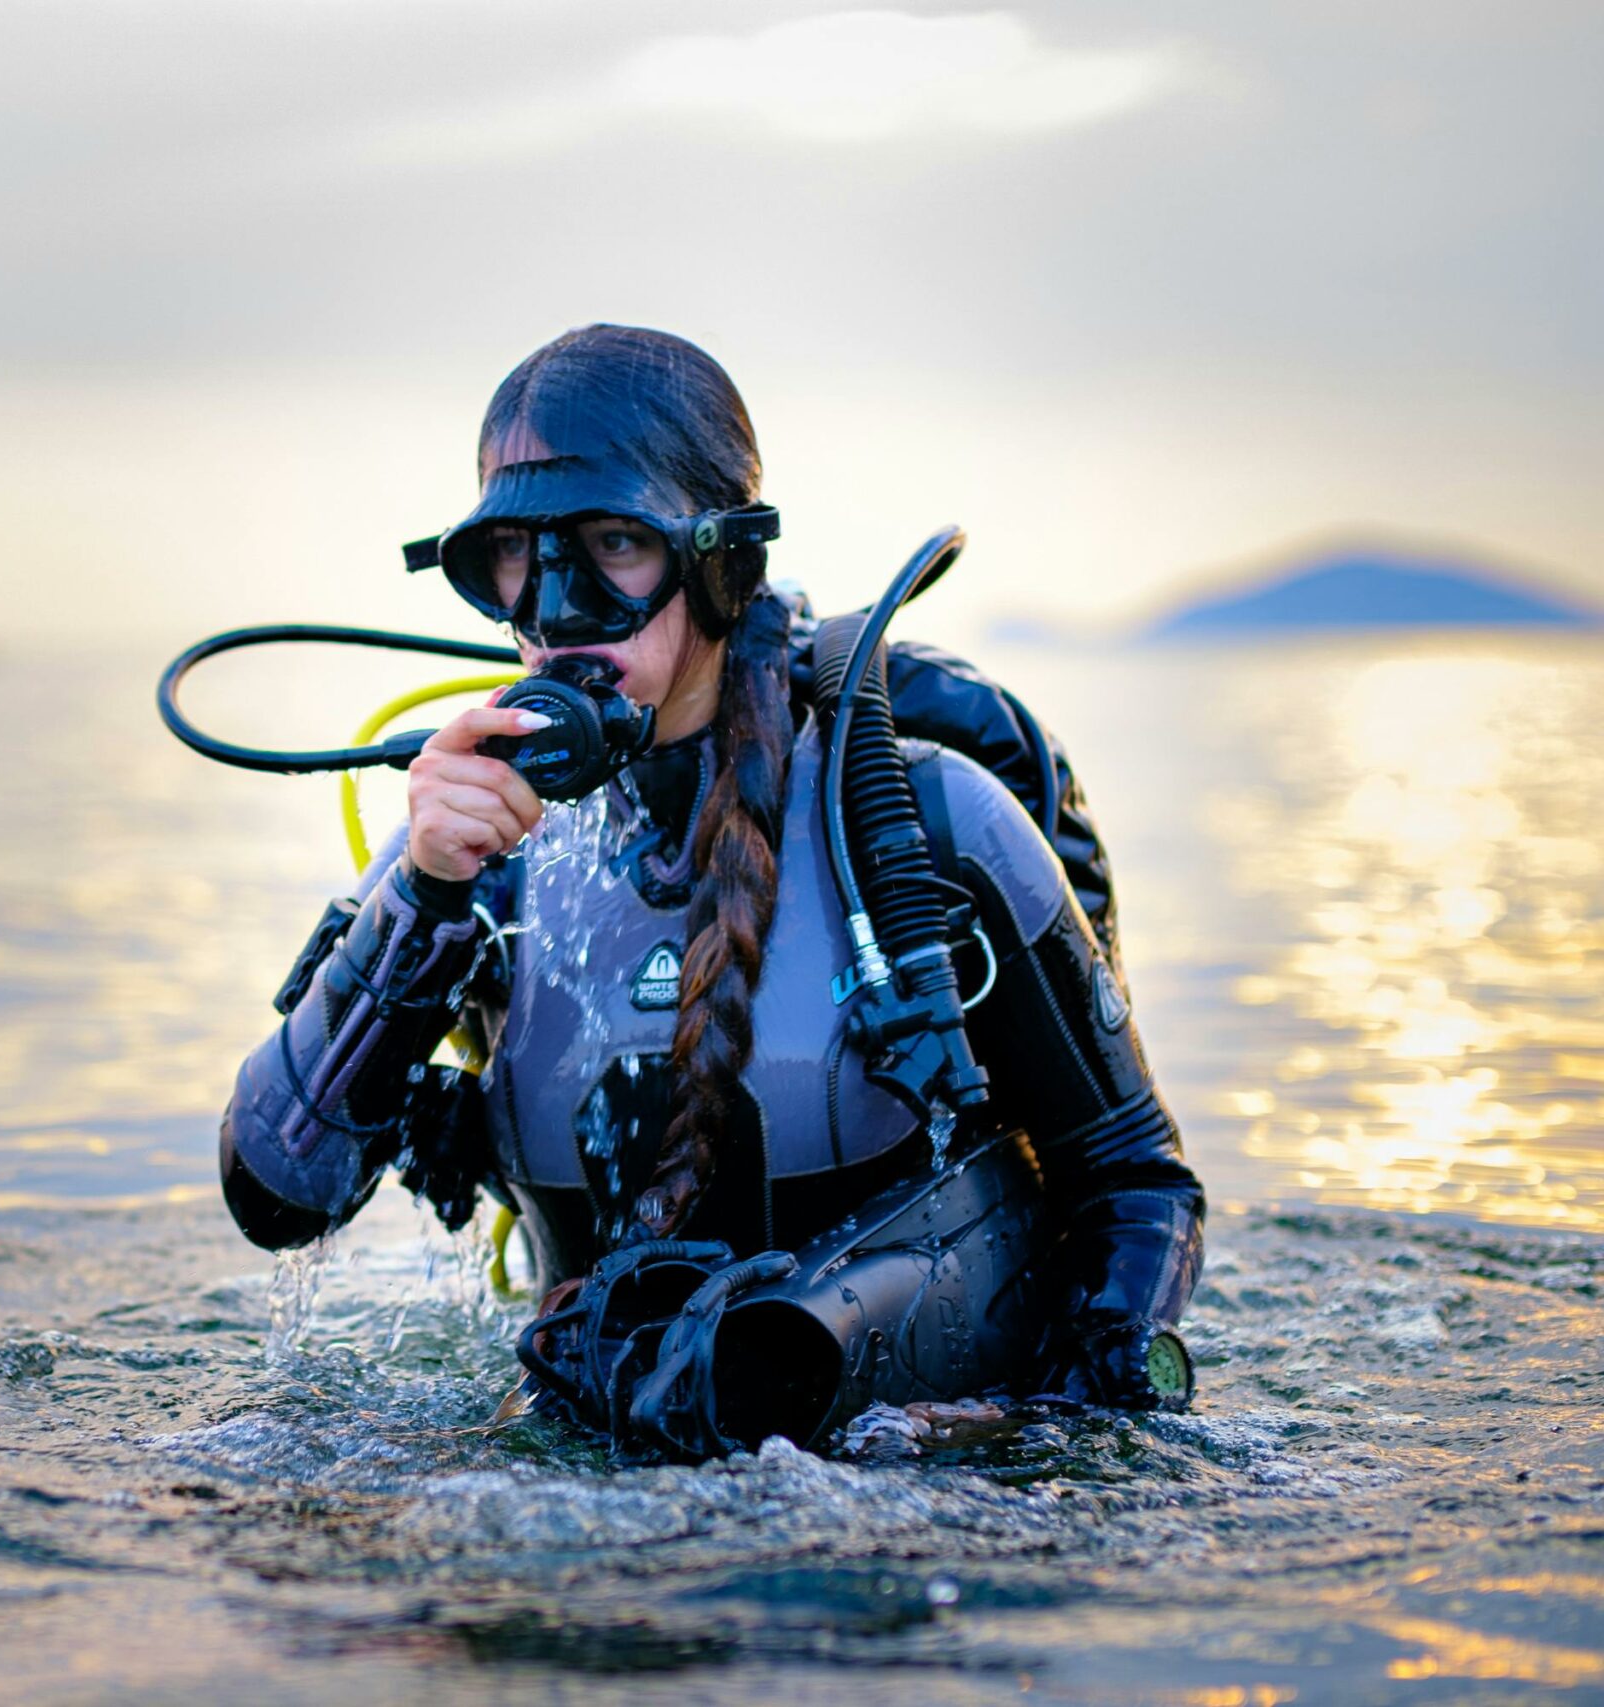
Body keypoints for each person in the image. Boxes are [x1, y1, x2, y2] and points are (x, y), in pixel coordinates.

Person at [216, 324, 1204, 1446]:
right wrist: (423, 901)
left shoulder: (923, 821)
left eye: (612, 545)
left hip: (909, 1518)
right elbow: (273, 1198)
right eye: (513, 558)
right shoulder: (475, 847)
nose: (556, 607)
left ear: (722, 565)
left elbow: (1136, 1189)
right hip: (573, 1496)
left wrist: (1034, 1434)